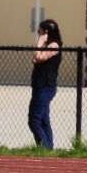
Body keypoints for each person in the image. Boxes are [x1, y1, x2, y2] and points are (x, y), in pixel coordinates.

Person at [29, 18, 62, 149]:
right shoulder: (49, 46)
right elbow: (39, 59)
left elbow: (39, 57)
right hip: (39, 86)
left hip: (46, 88)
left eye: (40, 30)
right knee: (43, 120)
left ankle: (44, 147)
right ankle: (48, 148)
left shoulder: (54, 45)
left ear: (46, 31)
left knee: (34, 120)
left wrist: (40, 41)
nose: (38, 32)